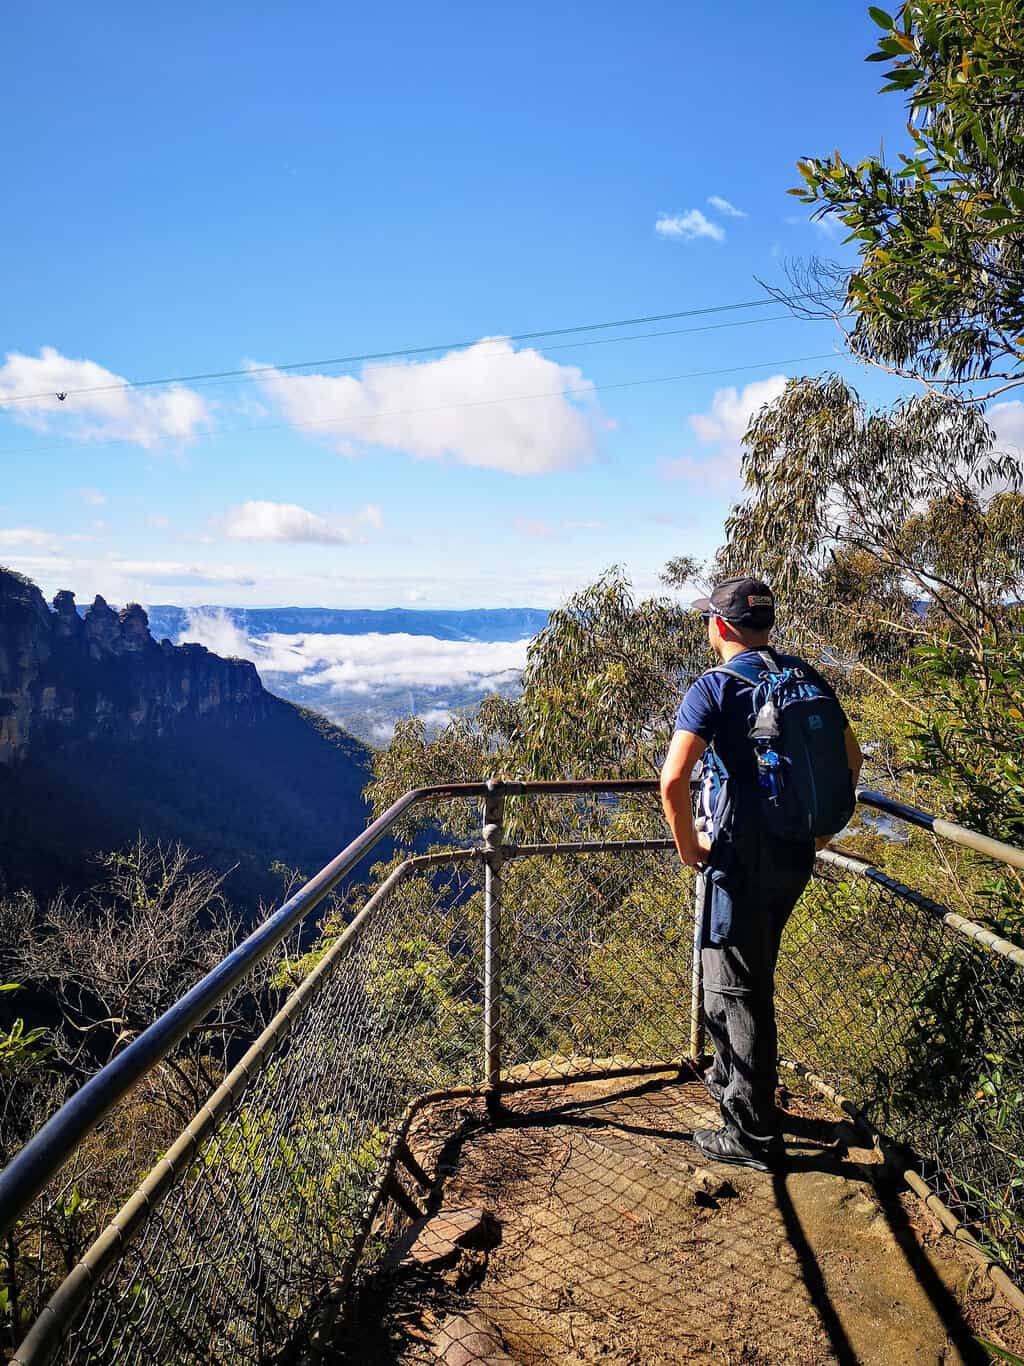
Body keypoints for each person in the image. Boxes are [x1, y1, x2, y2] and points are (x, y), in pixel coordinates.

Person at [659, 576, 863, 1171]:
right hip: (795, 852)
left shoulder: (713, 688)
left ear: (720, 626)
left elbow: (672, 780)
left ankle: (751, 1136)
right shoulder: (803, 673)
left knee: (735, 985)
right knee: (743, 973)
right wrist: (824, 831)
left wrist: (688, 848)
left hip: (741, 857)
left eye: (707, 620)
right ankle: (733, 1086)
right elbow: (851, 757)